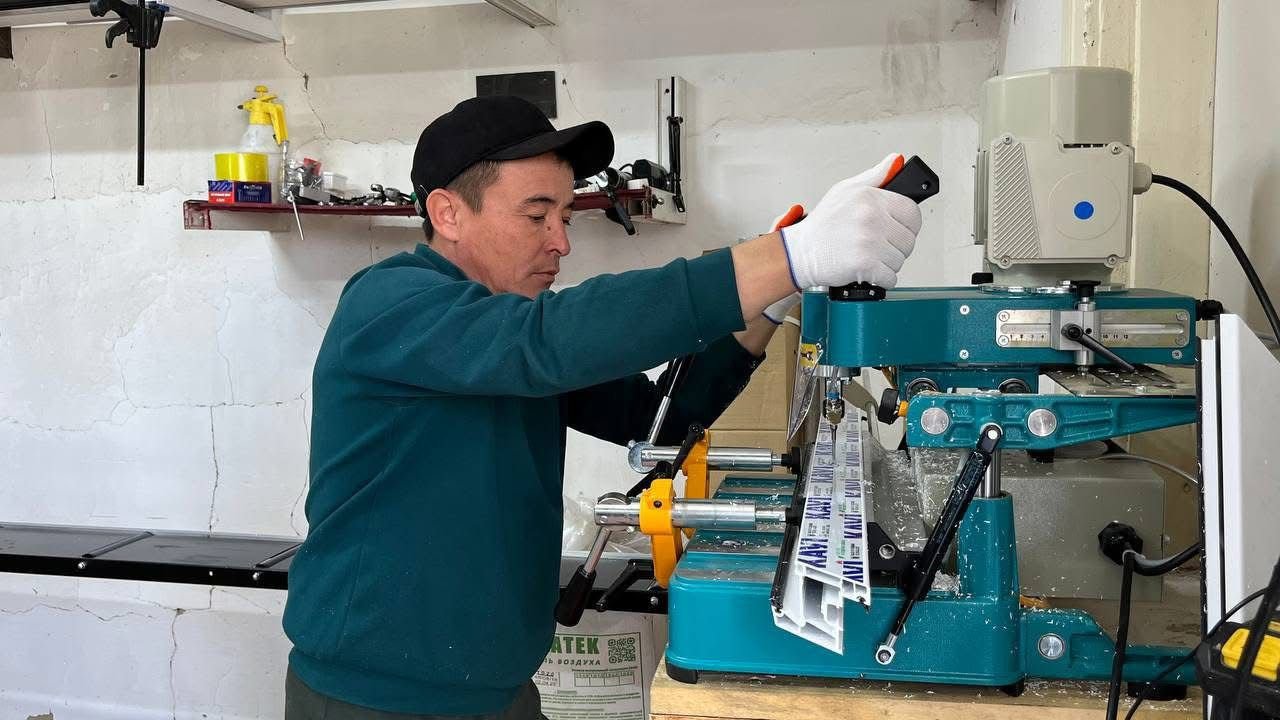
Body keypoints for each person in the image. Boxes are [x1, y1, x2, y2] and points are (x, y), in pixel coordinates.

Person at [282, 95, 921, 719]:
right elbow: (547, 342)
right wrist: (787, 256)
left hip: (500, 689)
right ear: (448, 213)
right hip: (374, 700)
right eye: (537, 215)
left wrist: (771, 301)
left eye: (565, 216)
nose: (561, 242)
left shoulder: (508, 334)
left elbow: (655, 418)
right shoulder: (391, 303)